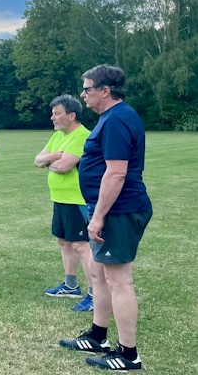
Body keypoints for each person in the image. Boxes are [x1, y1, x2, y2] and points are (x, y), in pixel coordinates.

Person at [59, 65, 153, 372]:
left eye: (87, 89)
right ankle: (98, 337)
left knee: (119, 280)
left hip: (119, 210)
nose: (83, 94)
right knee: (99, 274)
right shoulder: (110, 118)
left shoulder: (117, 119)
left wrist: (98, 216)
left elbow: (116, 173)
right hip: (110, 209)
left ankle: (128, 354)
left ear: (105, 91)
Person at [34, 95, 94, 312]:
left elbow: (63, 167)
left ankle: (95, 295)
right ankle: (71, 286)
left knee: (81, 246)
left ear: (71, 115)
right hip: (60, 199)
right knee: (64, 242)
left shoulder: (82, 136)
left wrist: (51, 161)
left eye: (57, 113)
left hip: (77, 200)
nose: (52, 117)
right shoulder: (58, 135)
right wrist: (53, 157)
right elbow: (37, 160)